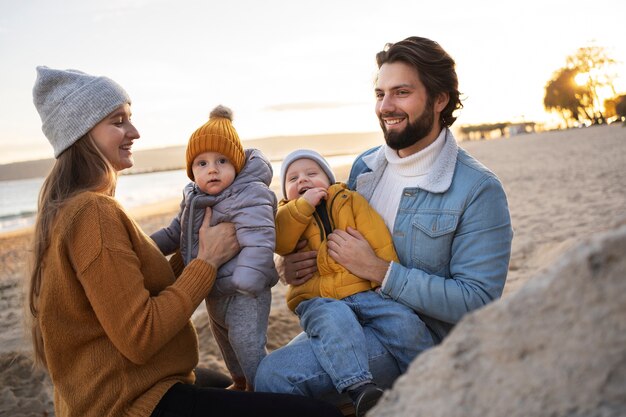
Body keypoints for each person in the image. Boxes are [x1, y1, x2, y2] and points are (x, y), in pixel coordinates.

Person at [28, 66, 343, 417]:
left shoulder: (68, 210)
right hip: (130, 403)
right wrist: (206, 262)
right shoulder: (94, 213)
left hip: (117, 387)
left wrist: (199, 247)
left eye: (129, 119)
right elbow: (140, 335)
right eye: (118, 122)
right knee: (320, 414)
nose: (134, 131)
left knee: (219, 378)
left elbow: (129, 289)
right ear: (83, 134)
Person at [255, 35, 514, 409]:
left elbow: (477, 301)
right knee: (274, 369)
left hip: (420, 336)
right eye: (380, 94)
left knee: (275, 377)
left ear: (440, 99)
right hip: (348, 313)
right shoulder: (365, 166)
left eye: (401, 93)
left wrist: (380, 270)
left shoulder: (477, 190)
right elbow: (318, 228)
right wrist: (292, 264)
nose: (386, 107)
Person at [276, 149, 432, 416]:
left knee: (403, 321)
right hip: (319, 300)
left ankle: (430, 379)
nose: (302, 180)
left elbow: (377, 235)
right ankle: (360, 388)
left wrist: (382, 278)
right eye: (293, 179)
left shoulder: (350, 200)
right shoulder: (287, 215)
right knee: (335, 324)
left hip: (364, 290)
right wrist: (302, 207)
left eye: (312, 174)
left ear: (329, 179)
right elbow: (281, 242)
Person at [151, 105, 278, 391]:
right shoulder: (193, 199)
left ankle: (261, 389)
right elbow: (176, 232)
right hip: (214, 291)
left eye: (222, 161)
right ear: (192, 171)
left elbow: (260, 238)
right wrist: (145, 246)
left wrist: (247, 280)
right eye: (202, 164)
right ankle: (240, 380)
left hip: (245, 291)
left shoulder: (250, 193)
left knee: (247, 343)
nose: (212, 170)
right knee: (225, 340)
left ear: (236, 164)